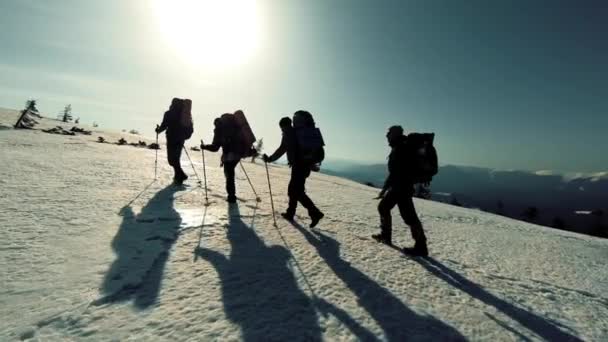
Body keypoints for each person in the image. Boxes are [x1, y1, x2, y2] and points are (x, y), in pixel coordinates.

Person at [373, 125, 428, 256]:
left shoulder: (401, 148)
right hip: (400, 187)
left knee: (408, 217)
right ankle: (387, 236)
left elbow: (396, 172)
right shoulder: (400, 146)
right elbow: (395, 172)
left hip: (401, 188)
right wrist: (386, 189)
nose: (387, 136)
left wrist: (386, 188)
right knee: (385, 208)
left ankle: (421, 246)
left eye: (389, 133)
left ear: (395, 134)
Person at [264, 113, 324, 228]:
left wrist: (270, 159)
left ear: (282, 126)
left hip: (299, 166)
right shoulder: (297, 132)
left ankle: (315, 213)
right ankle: (291, 213)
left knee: (297, 192)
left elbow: (282, 149)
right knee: (294, 190)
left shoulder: (288, 133)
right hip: (304, 165)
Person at [201, 115, 241, 203]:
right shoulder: (232, 128)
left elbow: (215, 148)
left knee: (229, 176)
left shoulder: (219, 130)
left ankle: (231, 197)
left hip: (228, 156)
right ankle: (231, 196)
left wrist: (204, 147)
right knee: (230, 175)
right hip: (238, 154)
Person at [156, 98, 188, 185]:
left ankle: (180, 176)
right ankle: (179, 176)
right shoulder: (183, 114)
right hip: (180, 139)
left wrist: (158, 130)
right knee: (175, 159)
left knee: (172, 160)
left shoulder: (169, 113)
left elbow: (164, 125)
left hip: (171, 138)